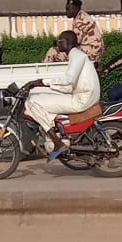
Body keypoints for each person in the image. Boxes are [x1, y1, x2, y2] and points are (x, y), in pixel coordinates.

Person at [25, 30, 102, 160]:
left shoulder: (76, 55)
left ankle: (57, 142)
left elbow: (69, 79)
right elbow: (69, 84)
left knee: (32, 102)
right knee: (36, 94)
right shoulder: (76, 55)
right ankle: (53, 132)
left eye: (60, 41)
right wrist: (44, 86)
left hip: (82, 99)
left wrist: (42, 82)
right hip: (83, 96)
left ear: (67, 43)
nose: (58, 44)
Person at [44, 0, 105, 64]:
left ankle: (45, 70)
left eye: (68, 9)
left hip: (92, 54)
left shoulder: (80, 21)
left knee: (53, 52)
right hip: (92, 51)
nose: (66, 12)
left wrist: (59, 45)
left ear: (76, 9)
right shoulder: (82, 16)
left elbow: (73, 42)